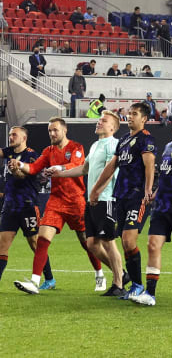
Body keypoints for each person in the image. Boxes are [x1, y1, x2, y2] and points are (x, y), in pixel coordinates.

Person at [12, 118, 105, 295]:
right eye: (49, 131)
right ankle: (34, 281)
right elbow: (33, 168)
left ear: (64, 130)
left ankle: (99, 274)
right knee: (42, 240)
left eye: (55, 130)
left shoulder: (76, 148)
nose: (52, 134)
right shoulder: (48, 151)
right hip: (56, 201)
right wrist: (20, 164)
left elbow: (78, 165)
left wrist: (58, 167)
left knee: (87, 243)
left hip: (76, 201)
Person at [50, 111, 126, 296]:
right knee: (92, 244)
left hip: (105, 199)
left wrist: (97, 191)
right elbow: (83, 169)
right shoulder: (95, 145)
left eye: (104, 121)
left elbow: (111, 171)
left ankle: (119, 285)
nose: (99, 122)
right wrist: (59, 173)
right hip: (92, 200)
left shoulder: (114, 145)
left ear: (112, 127)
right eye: (99, 120)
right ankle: (122, 274)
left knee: (108, 242)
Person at [131, 110, 172, 306]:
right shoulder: (168, 147)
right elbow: (167, 178)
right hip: (161, 207)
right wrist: (155, 194)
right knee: (152, 245)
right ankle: (150, 294)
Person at [90, 103, 156, 300]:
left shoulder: (146, 139)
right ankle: (135, 284)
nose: (130, 116)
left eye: (134, 114)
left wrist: (147, 189)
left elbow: (149, 164)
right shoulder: (125, 140)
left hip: (137, 196)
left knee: (128, 240)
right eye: (129, 113)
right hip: (121, 197)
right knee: (125, 243)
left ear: (144, 119)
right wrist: (95, 190)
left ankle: (137, 285)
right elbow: (111, 166)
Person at [0, 127, 54, 288]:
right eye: (9, 134)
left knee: (34, 242)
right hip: (9, 206)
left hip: (27, 205)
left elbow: (24, 176)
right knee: (2, 245)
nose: (11, 137)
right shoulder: (9, 152)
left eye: (14, 135)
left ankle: (49, 279)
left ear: (24, 138)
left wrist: (16, 170)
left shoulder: (31, 155)